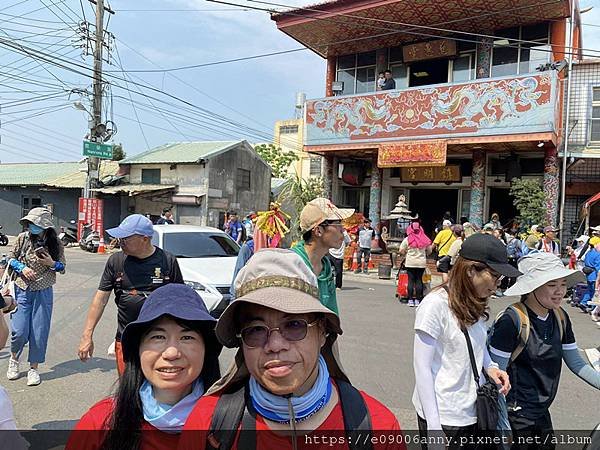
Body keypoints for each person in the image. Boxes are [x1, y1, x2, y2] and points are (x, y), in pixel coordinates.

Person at [179, 248, 404, 450]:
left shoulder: (377, 428)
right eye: (256, 330)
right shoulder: (208, 424)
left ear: (322, 332)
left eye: (294, 325)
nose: (275, 346)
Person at [67, 284, 221, 450]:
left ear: (206, 350)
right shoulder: (100, 423)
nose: (171, 352)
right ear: (138, 350)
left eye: (187, 337)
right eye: (158, 337)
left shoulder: (232, 425)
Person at [413, 233, 516, 449]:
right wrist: (433, 427)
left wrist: (491, 367)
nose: (497, 285)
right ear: (471, 270)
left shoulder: (474, 301)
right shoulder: (435, 305)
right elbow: (421, 367)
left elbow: (476, 343)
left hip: (472, 410)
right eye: (494, 276)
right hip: (443, 414)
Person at [489, 253, 600, 449]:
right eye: (551, 285)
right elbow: (496, 377)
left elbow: (576, 363)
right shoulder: (512, 321)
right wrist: (502, 428)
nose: (560, 291)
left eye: (563, 284)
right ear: (531, 287)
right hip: (515, 417)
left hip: (541, 413)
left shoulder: (559, 317)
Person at [78, 214, 184, 374]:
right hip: (125, 338)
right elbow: (100, 300)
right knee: (128, 389)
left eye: (125, 238)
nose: (120, 242)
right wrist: (87, 335)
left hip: (160, 341)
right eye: (119, 237)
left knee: (158, 389)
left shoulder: (167, 261)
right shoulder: (116, 261)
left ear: (145, 238)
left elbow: (180, 301)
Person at [6, 207, 66, 386]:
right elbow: (9, 257)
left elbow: (62, 267)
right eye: (30, 223)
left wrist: (51, 263)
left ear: (45, 226)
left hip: (44, 289)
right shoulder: (22, 238)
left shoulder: (56, 243)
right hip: (22, 288)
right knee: (20, 331)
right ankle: (14, 360)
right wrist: (21, 267)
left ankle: (34, 368)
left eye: (35, 224)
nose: (32, 227)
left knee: (39, 332)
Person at [292, 198, 353, 315]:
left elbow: (331, 311)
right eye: (338, 224)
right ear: (318, 231)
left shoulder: (325, 267)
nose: (343, 230)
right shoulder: (293, 263)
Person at [399, 219, 432, 307]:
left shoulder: (407, 239)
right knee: (419, 280)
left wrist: (405, 253)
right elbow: (429, 250)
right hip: (421, 263)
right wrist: (425, 254)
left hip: (410, 262)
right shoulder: (425, 239)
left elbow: (401, 250)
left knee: (411, 280)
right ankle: (418, 299)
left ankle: (410, 300)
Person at [580, 242, 600, 312]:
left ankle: (583, 302)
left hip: (588, 274)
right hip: (594, 275)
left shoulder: (588, 252)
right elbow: (598, 266)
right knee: (596, 291)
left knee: (589, 290)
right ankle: (593, 307)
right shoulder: (598, 254)